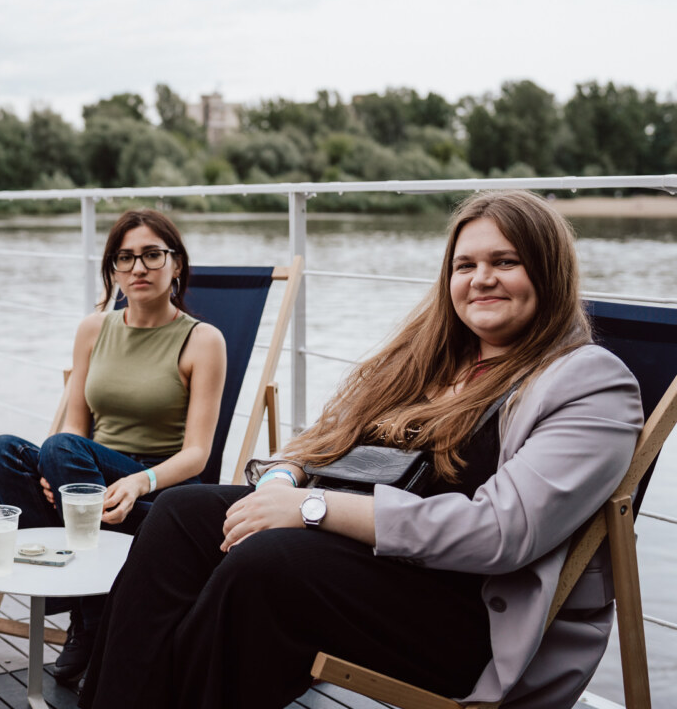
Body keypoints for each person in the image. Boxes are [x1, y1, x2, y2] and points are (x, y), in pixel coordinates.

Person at [79, 190, 644, 709]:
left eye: (505, 262)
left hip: (465, 617)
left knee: (266, 564)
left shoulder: (589, 383)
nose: (481, 279)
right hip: (376, 569)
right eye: (465, 265)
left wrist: (311, 510)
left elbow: (498, 533)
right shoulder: (437, 360)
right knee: (181, 516)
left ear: (548, 269)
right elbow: (328, 442)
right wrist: (283, 482)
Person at [0, 208, 227, 682]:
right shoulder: (93, 329)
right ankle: (90, 608)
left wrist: (137, 482)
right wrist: (61, 476)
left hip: (158, 489)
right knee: (1, 451)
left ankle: (85, 618)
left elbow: (198, 453)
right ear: (112, 269)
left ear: (176, 263)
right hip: (87, 476)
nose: (139, 269)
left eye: (153, 255)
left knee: (63, 450)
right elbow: (74, 430)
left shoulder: (202, 340)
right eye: (126, 258)